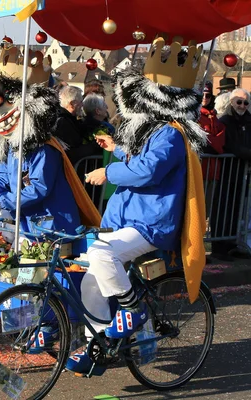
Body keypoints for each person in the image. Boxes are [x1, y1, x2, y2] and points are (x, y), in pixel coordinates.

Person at [67, 43, 207, 374]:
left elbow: (148, 171)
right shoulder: (155, 130)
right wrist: (116, 149)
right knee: (90, 281)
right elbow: (140, 161)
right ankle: (100, 345)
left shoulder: (171, 134)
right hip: (131, 217)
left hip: (151, 222)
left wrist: (108, 171)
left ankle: (131, 311)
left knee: (102, 254)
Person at [0, 73, 100, 238]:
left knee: (31, 261)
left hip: (50, 222)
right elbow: (3, 178)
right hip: (27, 219)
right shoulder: (12, 146)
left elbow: (39, 188)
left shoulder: (45, 149)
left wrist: (0, 201)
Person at [216, 88, 251, 259]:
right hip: (226, 172)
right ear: (231, 102)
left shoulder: (249, 121)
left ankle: (232, 244)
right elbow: (229, 145)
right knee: (224, 208)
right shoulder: (225, 121)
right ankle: (220, 247)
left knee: (237, 209)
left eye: (245, 102)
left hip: (242, 173)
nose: (242, 106)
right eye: (239, 102)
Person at [197, 82, 226, 261]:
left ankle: (200, 247)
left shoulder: (215, 118)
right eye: (203, 95)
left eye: (208, 95)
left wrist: (209, 142)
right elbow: (200, 140)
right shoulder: (194, 116)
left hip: (212, 171)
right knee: (195, 211)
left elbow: (219, 144)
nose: (205, 98)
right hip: (198, 170)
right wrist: (210, 143)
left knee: (205, 213)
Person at [55, 85, 85, 164]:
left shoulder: (68, 119)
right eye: (81, 102)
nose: (82, 105)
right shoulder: (63, 122)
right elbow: (74, 150)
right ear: (72, 104)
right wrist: (95, 146)